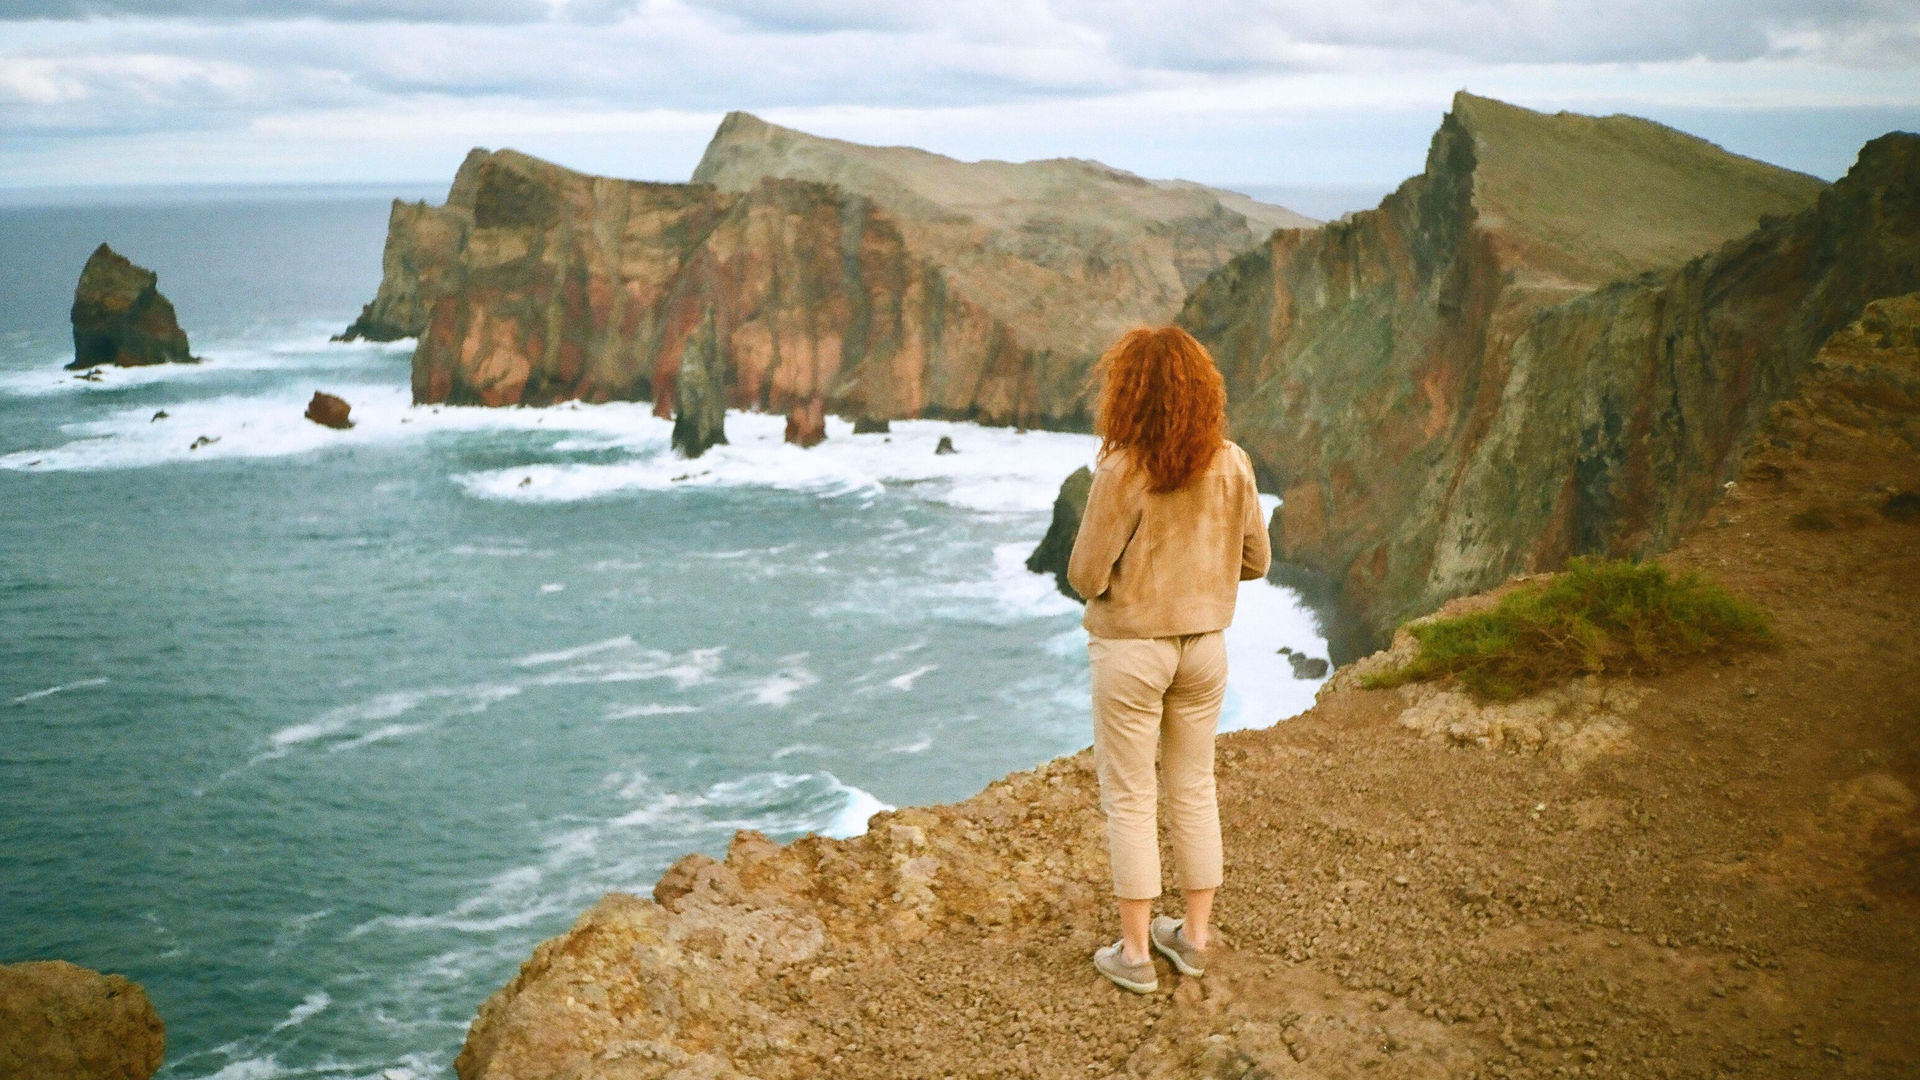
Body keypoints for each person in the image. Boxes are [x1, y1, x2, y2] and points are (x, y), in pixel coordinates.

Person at [1066, 325, 1270, 994]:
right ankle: (1195, 937)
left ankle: (1132, 955)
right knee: (1193, 787)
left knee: (1130, 796)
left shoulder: (1123, 469)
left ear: (1129, 394)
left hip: (1133, 651)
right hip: (1205, 649)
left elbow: (1086, 576)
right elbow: (1257, 562)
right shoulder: (1233, 462)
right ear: (1202, 390)